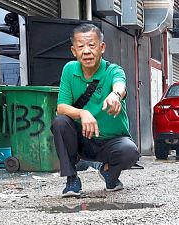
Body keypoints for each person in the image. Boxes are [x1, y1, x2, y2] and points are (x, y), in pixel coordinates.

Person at [53, 23, 140, 197]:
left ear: (102, 48)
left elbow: (120, 85)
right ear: (73, 51)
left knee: (130, 151)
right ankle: (72, 180)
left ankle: (109, 174)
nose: (86, 51)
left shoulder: (113, 70)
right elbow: (61, 107)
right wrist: (83, 113)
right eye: (81, 47)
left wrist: (115, 95)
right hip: (83, 139)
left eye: (91, 45)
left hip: (111, 142)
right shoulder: (69, 70)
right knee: (60, 122)